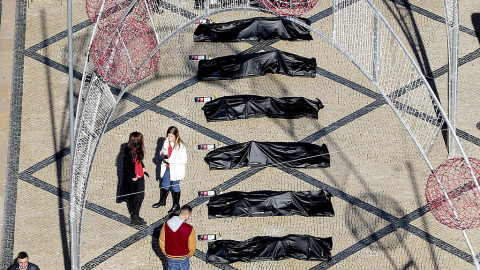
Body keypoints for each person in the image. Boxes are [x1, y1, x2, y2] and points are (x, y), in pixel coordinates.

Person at [152, 126, 187, 214]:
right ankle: (162, 201)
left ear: (176, 135)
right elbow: (164, 150)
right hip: (167, 167)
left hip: (175, 169)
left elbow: (184, 160)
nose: (170, 138)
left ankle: (176, 206)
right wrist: (162, 154)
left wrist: (170, 160)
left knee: (175, 186)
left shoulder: (180, 146)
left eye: (172, 136)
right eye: (169, 136)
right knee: (164, 184)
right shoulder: (166, 142)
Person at [122, 132, 148, 225]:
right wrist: (134, 176)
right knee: (134, 198)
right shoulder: (129, 152)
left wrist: (143, 167)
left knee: (140, 197)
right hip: (134, 179)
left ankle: (136, 215)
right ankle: (134, 217)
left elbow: (139, 161)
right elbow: (126, 168)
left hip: (140, 176)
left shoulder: (137, 150)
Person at [159, 205, 196, 269]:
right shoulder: (189, 228)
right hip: (184, 258)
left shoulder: (166, 224)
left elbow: (161, 241)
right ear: (187, 215)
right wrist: (189, 254)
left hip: (170, 257)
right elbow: (192, 245)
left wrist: (166, 253)